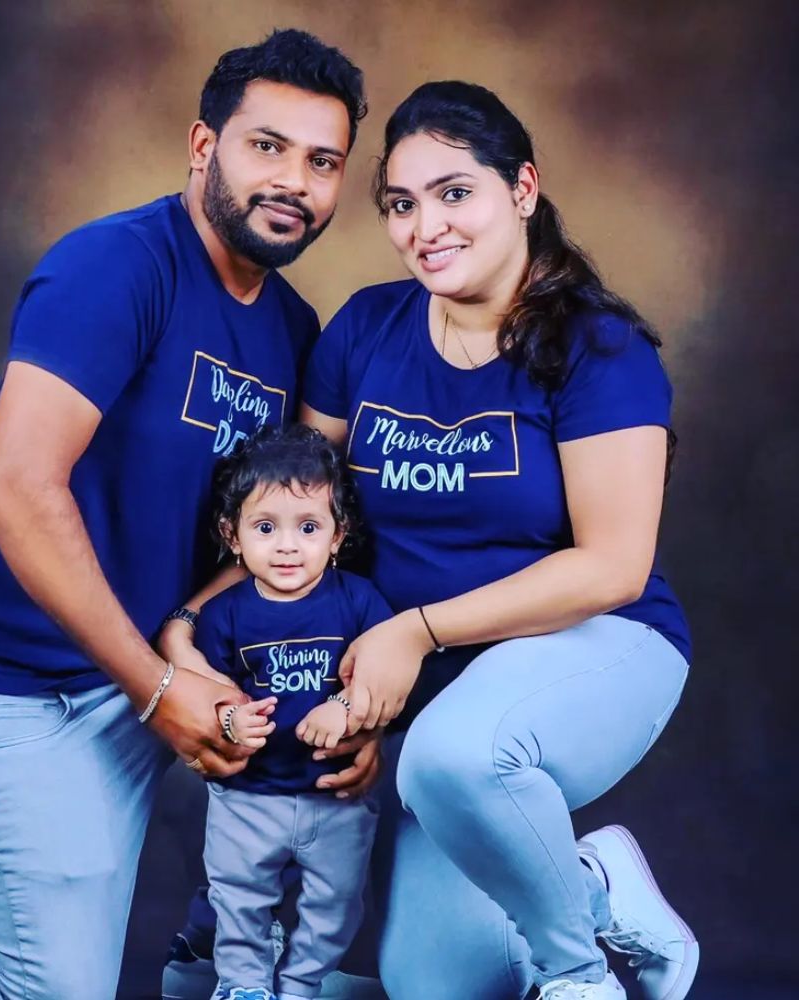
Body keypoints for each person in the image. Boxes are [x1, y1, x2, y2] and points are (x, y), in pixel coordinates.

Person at [0, 30, 372, 1000]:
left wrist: (246, 668)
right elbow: (14, 485)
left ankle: (212, 955)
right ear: (203, 146)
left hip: (144, 659)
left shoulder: (291, 331)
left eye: (323, 161)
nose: (294, 181)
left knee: (311, 768)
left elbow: (276, 538)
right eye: (267, 147)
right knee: (57, 992)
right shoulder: (116, 267)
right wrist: (157, 687)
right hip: (2, 671)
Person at [297, 81, 698, 1000]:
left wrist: (415, 632)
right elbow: (309, 522)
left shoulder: (599, 349)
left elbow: (613, 566)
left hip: (602, 644)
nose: (425, 227)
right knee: (436, 988)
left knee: (455, 755)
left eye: (454, 193)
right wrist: (354, 699)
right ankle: (597, 890)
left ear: (522, 189)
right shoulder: (365, 330)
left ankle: (578, 977)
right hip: (442, 700)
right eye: (401, 204)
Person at [192, 424, 391, 1000]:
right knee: (238, 896)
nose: (287, 546)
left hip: (334, 796)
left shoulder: (358, 600)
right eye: (265, 528)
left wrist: (345, 705)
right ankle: (244, 984)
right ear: (232, 535)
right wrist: (229, 719)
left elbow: (382, 677)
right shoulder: (224, 614)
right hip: (248, 799)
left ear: (337, 534)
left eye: (308, 528)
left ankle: (302, 983)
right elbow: (207, 691)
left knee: (336, 903)